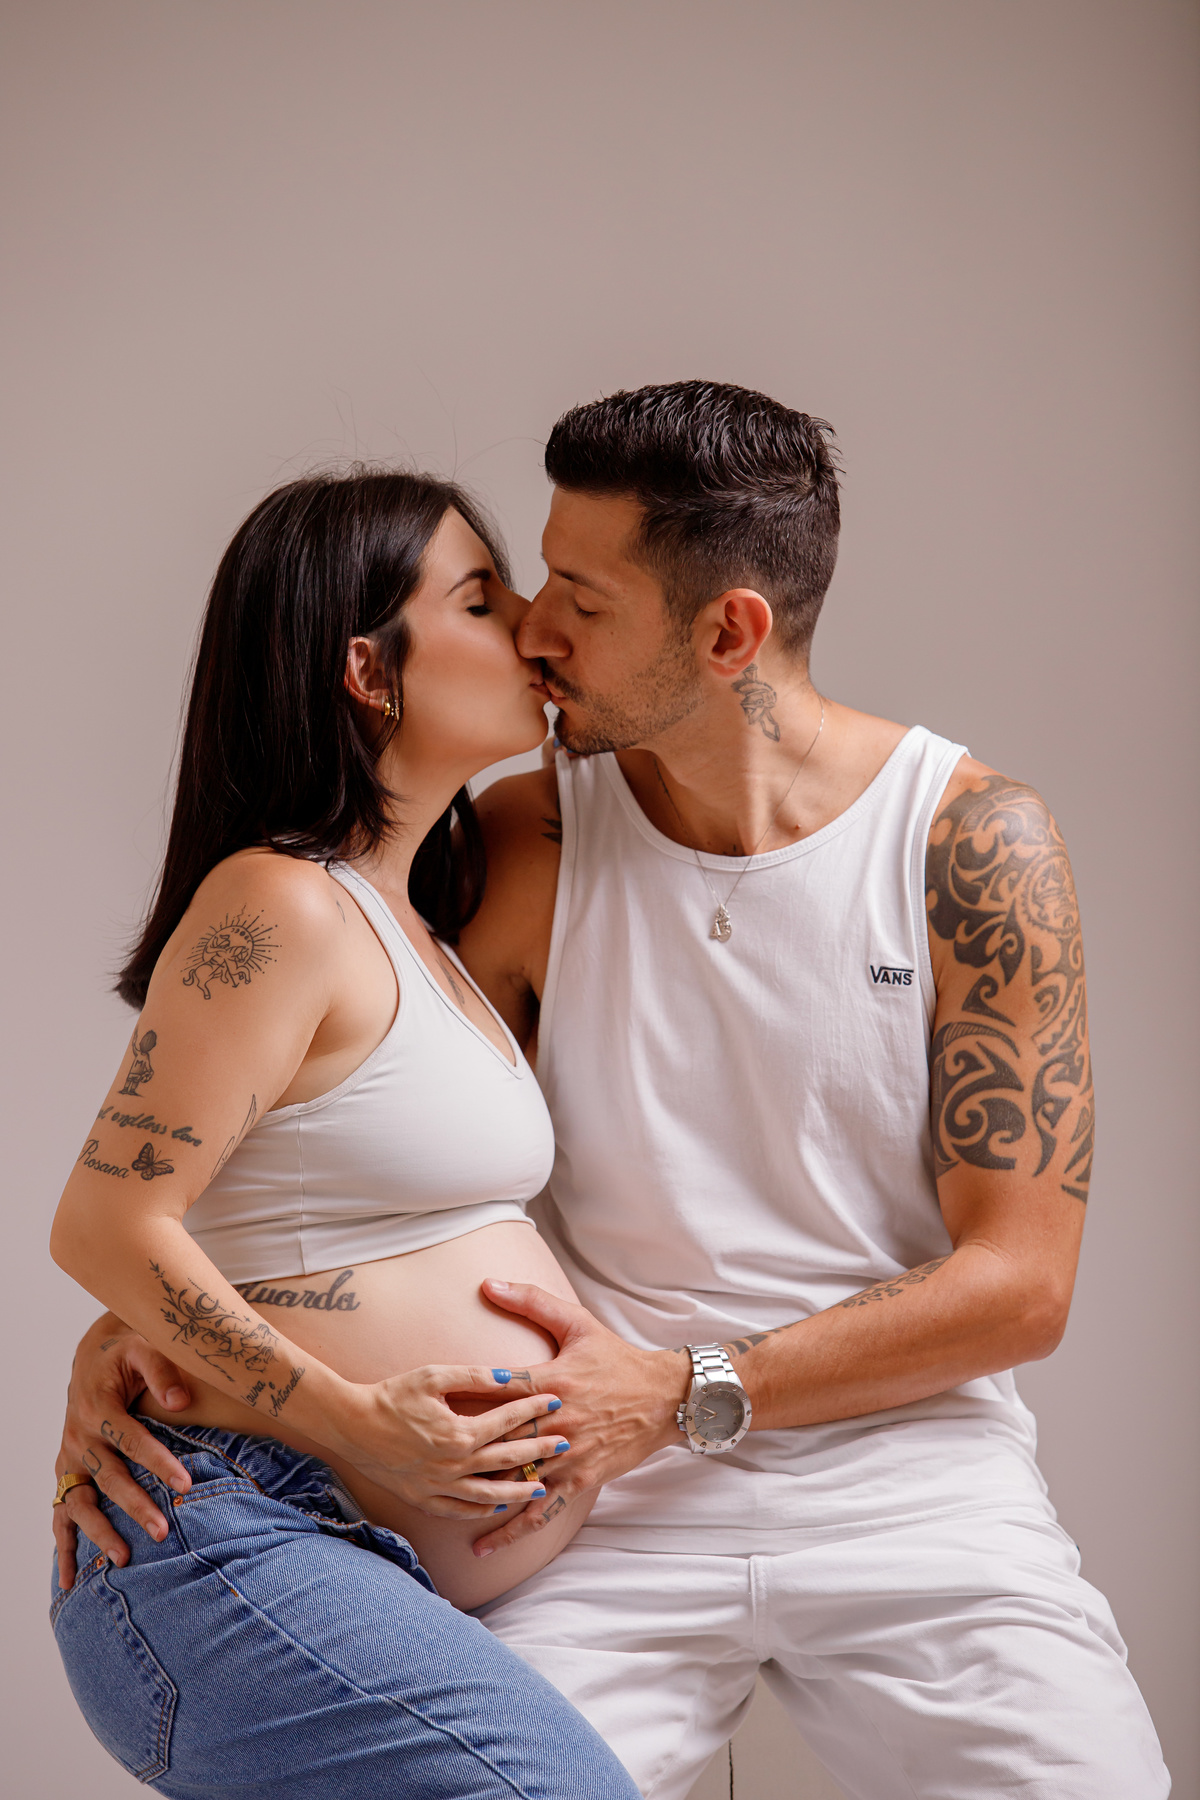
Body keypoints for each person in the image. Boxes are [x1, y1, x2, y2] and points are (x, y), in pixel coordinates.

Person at [59, 382, 1170, 1799]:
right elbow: (339, 1138)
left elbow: (1021, 1286)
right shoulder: (530, 837)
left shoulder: (971, 846)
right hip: (604, 1505)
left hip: (911, 1487)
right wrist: (140, 1334)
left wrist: (682, 1391)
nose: (535, 630)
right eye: (517, 588)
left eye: (577, 599)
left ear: (728, 634)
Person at [48, 469, 641, 1800]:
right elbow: (107, 1220)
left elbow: (278, 1220)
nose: (531, 624)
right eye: (480, 599)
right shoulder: (282, 901)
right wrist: (363, 1424)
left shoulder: (415, 926)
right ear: (368, 669)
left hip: (349, 1557)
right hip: (234, 1534)